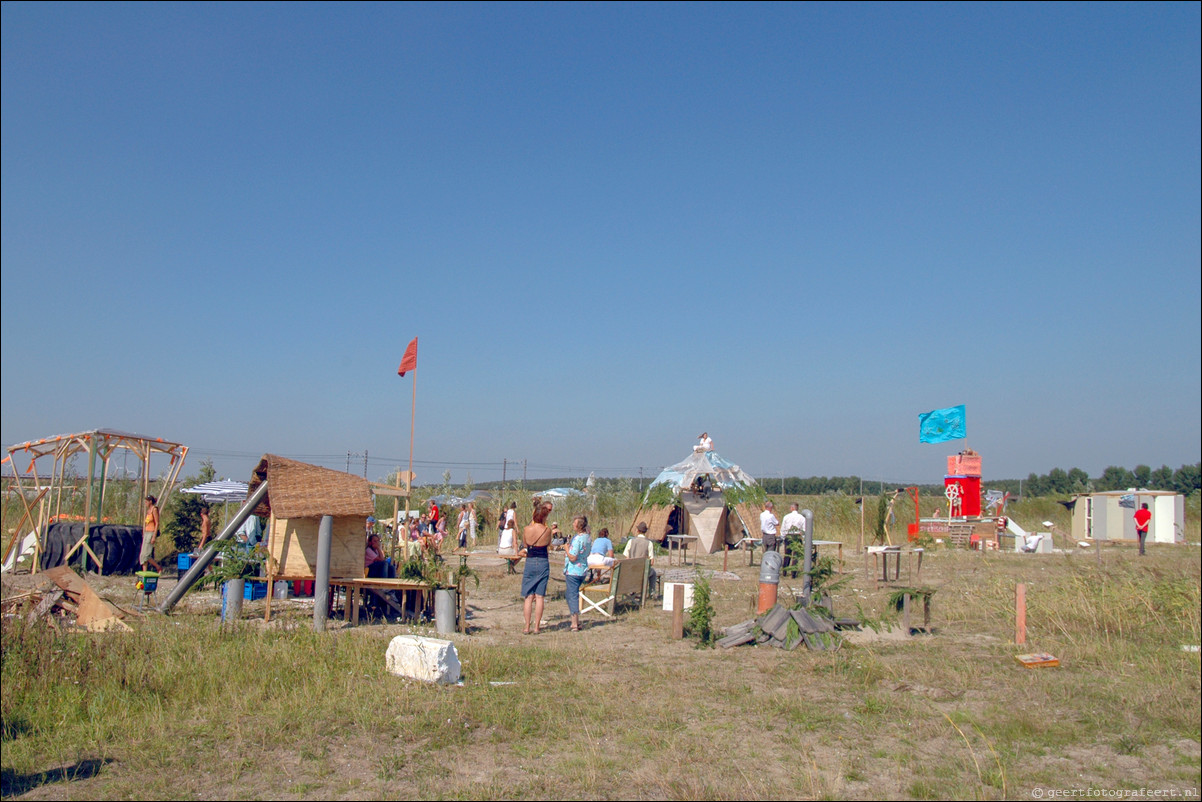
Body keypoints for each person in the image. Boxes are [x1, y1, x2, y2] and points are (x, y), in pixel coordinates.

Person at [520, 499, 554, 635]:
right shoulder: (547, 530)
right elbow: (548, 544)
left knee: (529, 596)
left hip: (530, 560)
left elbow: (525, 543)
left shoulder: (526, 529)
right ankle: (537, 627)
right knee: (539, 596)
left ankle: (527, 626)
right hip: (543, 561)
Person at [564, 515, 592, 632]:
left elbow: (573, 557)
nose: (572, 525)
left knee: (572, 596)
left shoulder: (578, 539)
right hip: (583, 570)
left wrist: (566, 548)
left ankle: (574, 623)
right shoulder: (588, 538)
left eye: (574, 523)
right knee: (572, 594)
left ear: (578, 526)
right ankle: (576, 620)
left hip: (574, 571)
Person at [623, 521, 658, 596]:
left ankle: (632, 590)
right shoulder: (649, 543)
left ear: (638, 530)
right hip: (642, 571)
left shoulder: (631, 541)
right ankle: (652, 592)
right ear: (645, 532)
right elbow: (652, 562)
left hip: (631, 570)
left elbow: (626, 558)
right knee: (653, 573)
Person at [781, 503, 806, 577]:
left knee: (787, 554)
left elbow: (783, 528)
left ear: (792, 508)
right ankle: (793, 573)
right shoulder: (801, 517)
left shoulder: (786, 517)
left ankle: (784, 571)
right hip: (797, 536)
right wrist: (803, 538)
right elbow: (804, 529)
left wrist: (783, 536)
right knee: (795, 555)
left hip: (789, 536)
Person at [141, 495, 161, 571]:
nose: (145, 503)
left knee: (146, 554)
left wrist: (154, 536)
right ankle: (144, 572)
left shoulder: (154, 509)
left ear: (150, 502)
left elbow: (157, 523)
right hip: (146, 532)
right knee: (142, 555)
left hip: (151, 533)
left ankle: (158, 567)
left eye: (146, 501)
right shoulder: (148, 511)